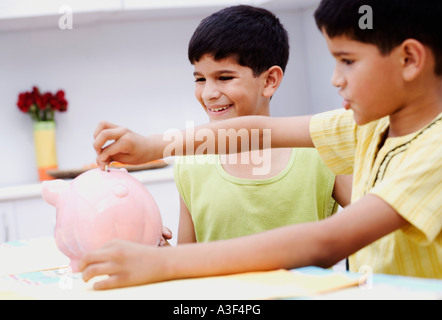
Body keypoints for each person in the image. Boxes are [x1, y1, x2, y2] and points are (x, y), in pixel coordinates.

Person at [81, 0, 442, 290]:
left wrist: (161, 263)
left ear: (409, 59)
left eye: (347, 61)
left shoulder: (436, 150)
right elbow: (257, 130)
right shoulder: (366, 127)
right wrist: (152, 146)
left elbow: (326, 242)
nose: (335, 79)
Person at [175, 5, 350, 246]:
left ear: (269, 80)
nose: (208, 93)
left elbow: (379, 226)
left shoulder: (320, 153)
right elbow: (185, 260)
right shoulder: (191, 163)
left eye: (224, 78)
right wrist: (161, 251)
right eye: (200, 79)